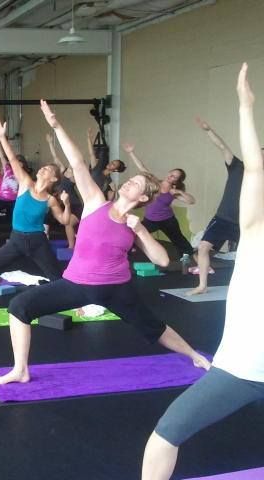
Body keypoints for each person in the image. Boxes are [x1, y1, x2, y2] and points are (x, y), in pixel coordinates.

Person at [0, 100, 210, 387]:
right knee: (19, 306)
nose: (129, 183)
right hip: (77, 284)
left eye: (136, 185)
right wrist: (56, 126)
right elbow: (78, 164)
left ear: (143, 198)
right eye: (130, 180)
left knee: (153, 326)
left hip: (116, 288)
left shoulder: (133, 225)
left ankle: (194, 355)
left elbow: (162, 260)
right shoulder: (95, 202)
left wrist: (140, 230)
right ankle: (20, 369)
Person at [142, 62, 264, 480]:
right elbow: (254, 169)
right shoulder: (255, 231)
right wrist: (245, 108)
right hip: (238, 372)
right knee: (165, 435)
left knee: (163, 437)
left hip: (241, 370)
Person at [0, 118, 71, 317]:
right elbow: (13, 160)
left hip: (38, 242)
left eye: (48, 169)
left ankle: (74, 303)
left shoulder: (50, 200)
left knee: (56, 276)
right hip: (17, 239)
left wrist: (67, 203)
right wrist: (2, 137)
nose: (43, 169)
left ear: (54, 178)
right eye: (43, 167)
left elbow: (64, 221)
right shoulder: (26, 184)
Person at [187, 117, 244, 295]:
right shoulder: (238, 167)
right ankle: (202, 285)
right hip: (222, 219)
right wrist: (208, 130)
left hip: (246, 223)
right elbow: (222, 147)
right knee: (203, 247)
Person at [123, 142, 196, 259]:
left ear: (176, 181)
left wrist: (180, 192)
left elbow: (191, 201)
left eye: (174, 176)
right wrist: (131, 152)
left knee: (178, 239)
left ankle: (190, 258)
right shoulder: (155, 183)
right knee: (133, 233)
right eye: (171, 173)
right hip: (150, 220)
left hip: (168, 220)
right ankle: (124, 253)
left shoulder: (173, 192)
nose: (170, 176)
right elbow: (142, 168)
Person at [46, 132, 82, 248]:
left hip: (75, 206)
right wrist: (50, 143)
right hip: (62, 205)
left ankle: (71, 247)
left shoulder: (73, 177)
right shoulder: (62, 171)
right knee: (47, 216)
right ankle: (45, 237)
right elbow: (55, 157)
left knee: (68, 223)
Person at [87, 127, 126, 200]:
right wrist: (89, 138)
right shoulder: (97, 167)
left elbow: (111, 198)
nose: (111, 163)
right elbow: (91, 154)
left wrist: (114, 191)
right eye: (112, 162)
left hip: (95, 201)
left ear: (115, 170)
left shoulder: (109, 181)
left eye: (113, 164)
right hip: (86, 196)